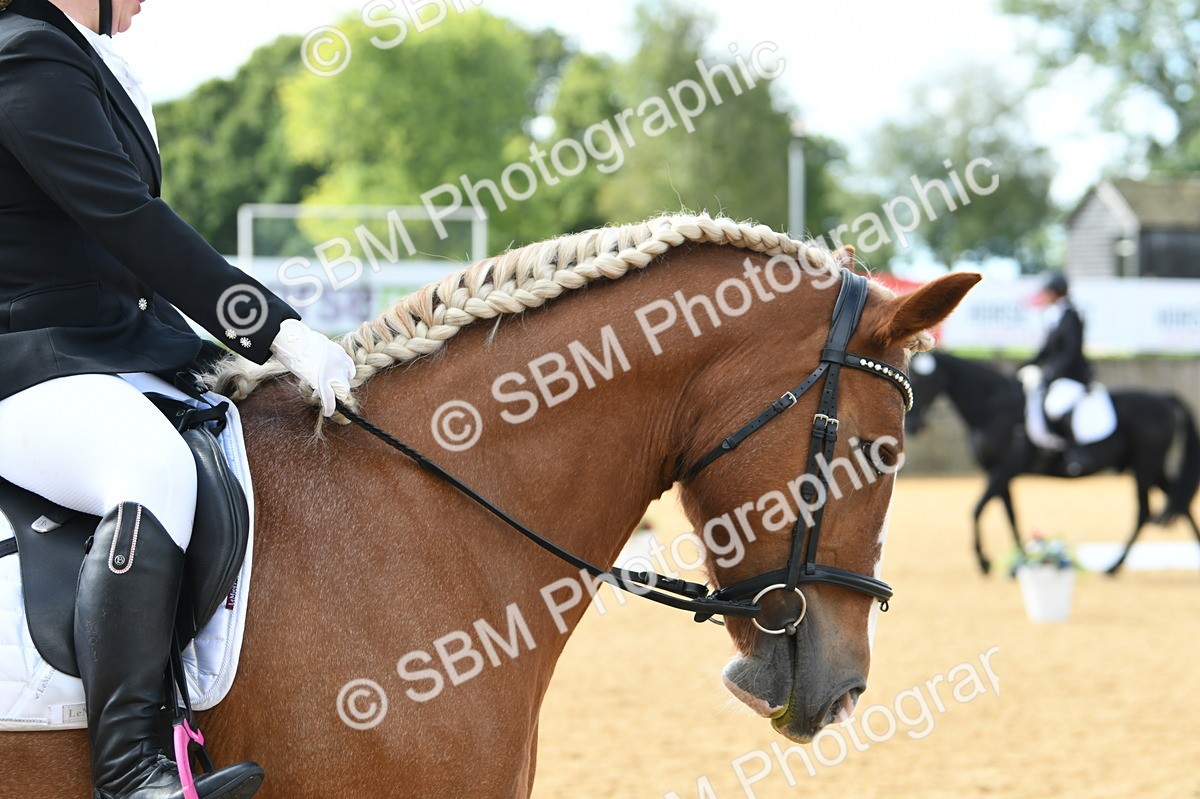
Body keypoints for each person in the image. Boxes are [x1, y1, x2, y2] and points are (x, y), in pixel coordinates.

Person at [0, 1, 355, 797]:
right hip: (25, 368)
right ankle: (130, 771)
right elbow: (130, 223)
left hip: (98, 354)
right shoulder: (22, 60)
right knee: (148, 463)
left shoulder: (73, 57)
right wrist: (276, 330)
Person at [1019, 271, 1094, 474]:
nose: (1045, 296)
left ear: (1056, 293)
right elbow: (1046, 350)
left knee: (1055, 406)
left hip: (1072, 376)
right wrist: (1024, 365)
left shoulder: (1072, 316)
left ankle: (1075, 453)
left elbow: (1070, 352)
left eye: (1048, 292)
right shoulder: (1055, 316)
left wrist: (1050, 375)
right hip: (1056, 375)